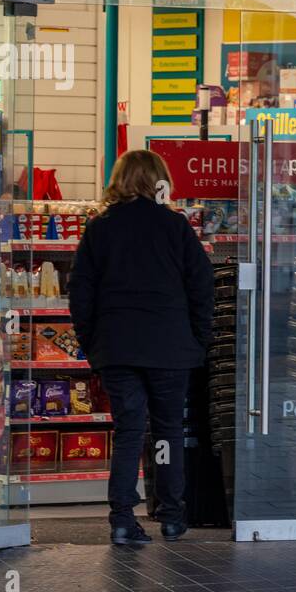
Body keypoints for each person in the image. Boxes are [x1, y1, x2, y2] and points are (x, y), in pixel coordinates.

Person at [69, 149, 213, 545]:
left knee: (129, 430)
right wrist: (198, 341)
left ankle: (121, 519)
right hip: (169, 347)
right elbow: (202, 287)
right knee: (167, 430)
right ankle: (171, 514)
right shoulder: (175, 227)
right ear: (158, 180)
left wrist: (92, 344)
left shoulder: (99, 229)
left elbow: (80, 291)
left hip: (117, 348)